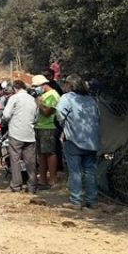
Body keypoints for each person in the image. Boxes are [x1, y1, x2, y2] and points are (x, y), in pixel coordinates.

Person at [56, 75, 100, 208]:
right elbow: (98, 117)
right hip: (92, 141)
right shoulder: (92, 100)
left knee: (75, 171)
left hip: (74, 139)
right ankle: (92, 201)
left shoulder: (67, 98)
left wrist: (63, 125)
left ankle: (76, 200)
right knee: (90, 171)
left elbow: (59, 113)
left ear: (69, 85)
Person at [0, 80, 38, 193]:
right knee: (30, 161)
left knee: (15, 159)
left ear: (15, 89)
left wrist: (5, 121)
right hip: (30, 133)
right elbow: (36, 117)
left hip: (16, 133)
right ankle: (32, 186)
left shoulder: (14, 98)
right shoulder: (32, 99)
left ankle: (16, 185)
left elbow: (6, 115)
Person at [31, 74, 60, 189]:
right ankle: (42, 180)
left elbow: (47, 112)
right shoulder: (43, 95)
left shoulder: (53, 95)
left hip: (49, 127)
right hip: (40, 126)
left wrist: (39, 102)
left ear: (43, 85)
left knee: (50, 153)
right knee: (41, 154)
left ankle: (52, 179)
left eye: (36, 86)